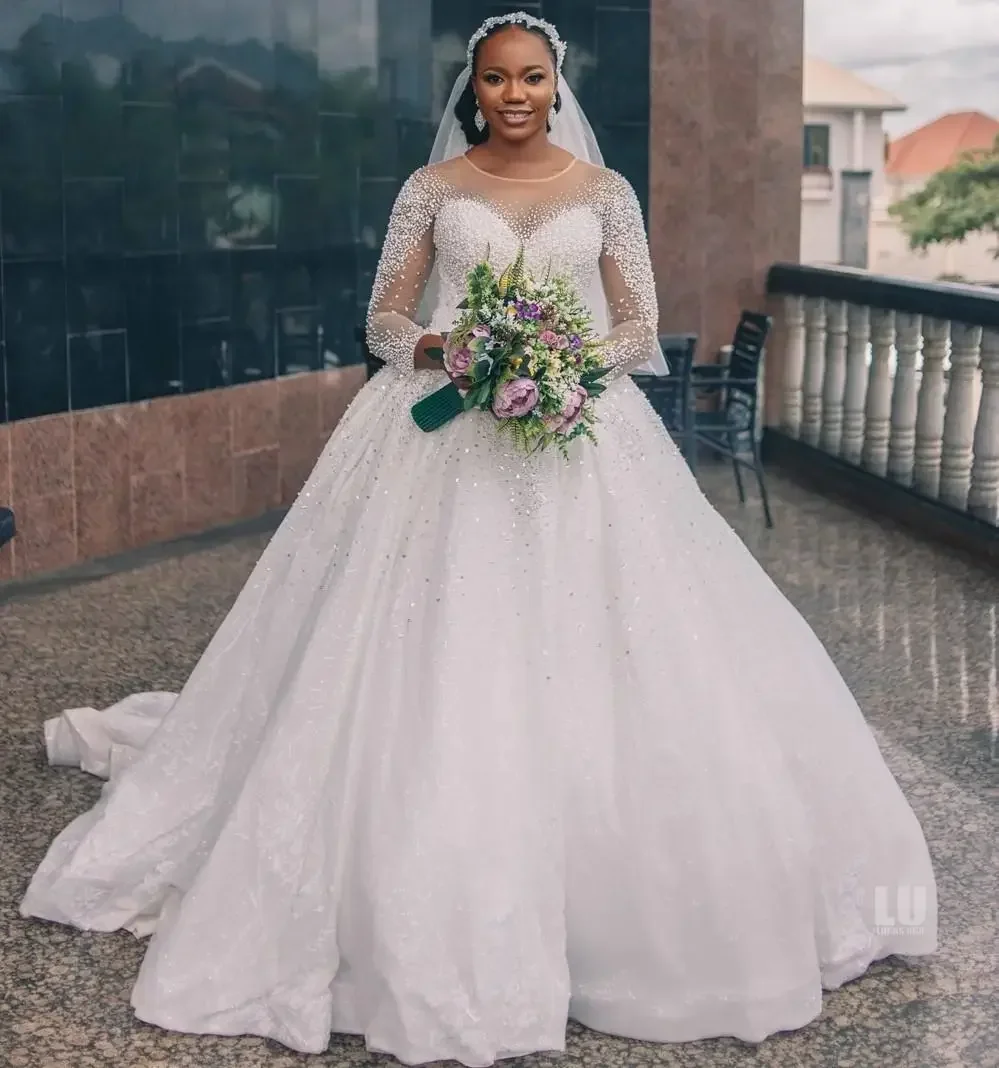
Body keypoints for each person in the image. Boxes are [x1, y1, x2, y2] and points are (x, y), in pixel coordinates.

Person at [21, 12, 937, 1068]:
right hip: (438, 437)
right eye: (496, 79)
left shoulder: (604, 195)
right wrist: (445, 344)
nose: (514, 95)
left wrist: (564, 363)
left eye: (532, 78)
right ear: (475, 89)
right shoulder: (434, 190)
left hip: (576, 434)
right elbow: (381, 318)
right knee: (419, 647)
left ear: (559, 83)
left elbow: (638, 323)